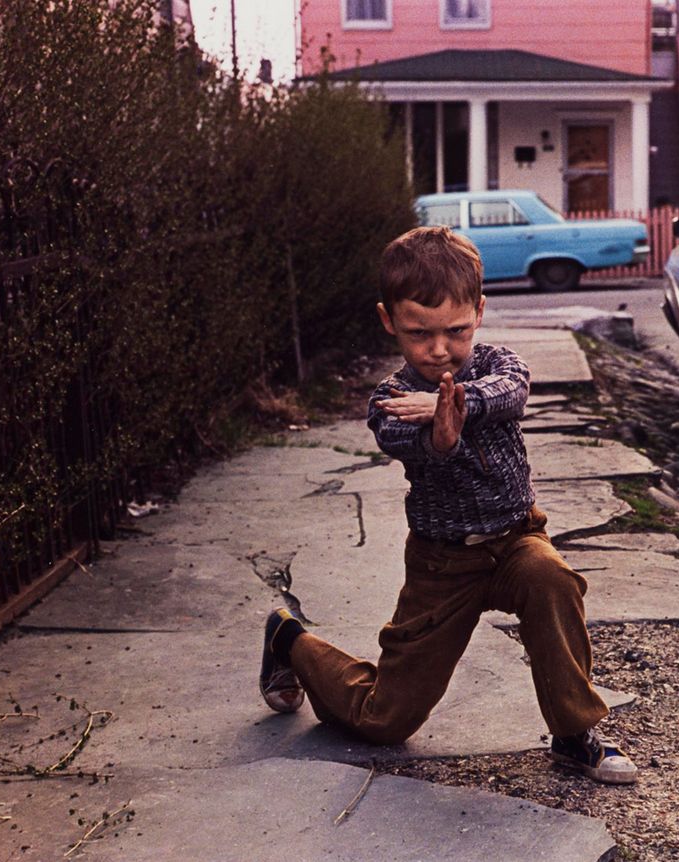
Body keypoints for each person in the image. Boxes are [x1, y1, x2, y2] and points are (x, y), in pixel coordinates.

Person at [257, 226, 637, 785]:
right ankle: (289, 638)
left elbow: (513, 392)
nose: (439, 350)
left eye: (455, 331)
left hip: (515, 541)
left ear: (479, 312)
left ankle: (574, 734)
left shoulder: (497, 365)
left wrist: (458, 404)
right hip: (442, 565)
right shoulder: (390, 399)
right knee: (384, 721)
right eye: (419, 334)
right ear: (389, 321)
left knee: (550, 578)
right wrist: (441, 434)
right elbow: (404, 440)